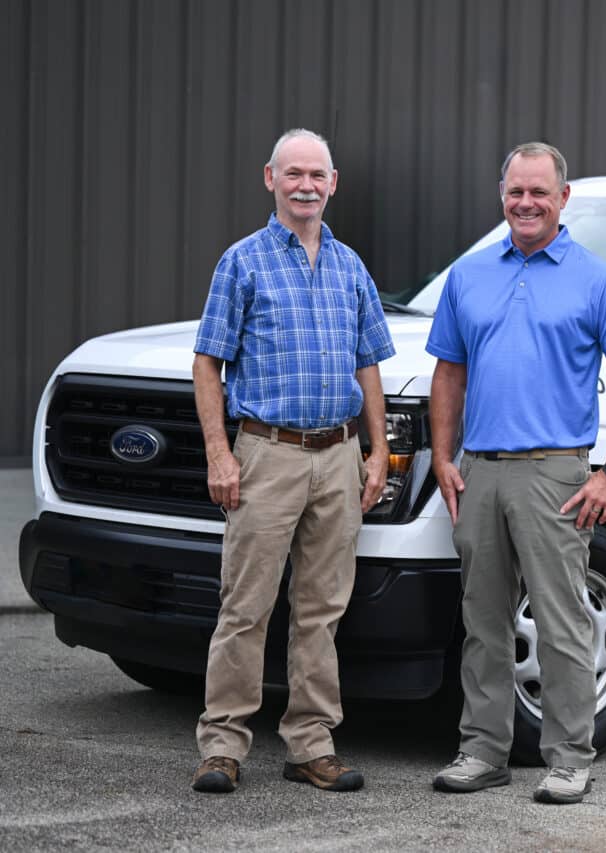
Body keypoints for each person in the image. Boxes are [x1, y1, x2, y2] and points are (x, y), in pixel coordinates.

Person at [427, 141, 606, 805]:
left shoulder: (597, 279)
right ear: (502, 195)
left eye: (539, 192)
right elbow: (449, 371)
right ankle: (482, 751)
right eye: (515, 192)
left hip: (556, 472)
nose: (526, 203)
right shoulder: (468, 275)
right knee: (484, 622)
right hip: (479, 470)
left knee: (560, 623)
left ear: (563, 198)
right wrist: (444, 457)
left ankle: (569, 756)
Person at [189, 128, 395, 794]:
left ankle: (310, 742)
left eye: (317, 174)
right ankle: (222, 744)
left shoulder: (349, 265)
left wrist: (377, 451)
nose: (306, 185)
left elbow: (368, 364)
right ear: (270, 179)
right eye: (293, 173)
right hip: (266, 454)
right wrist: (220, 452)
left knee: (321, 609)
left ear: (333, 183)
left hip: (336, 457)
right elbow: (207, 362)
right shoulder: (241, 263)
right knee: (245, 606)